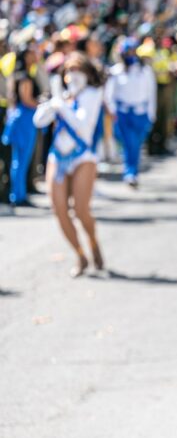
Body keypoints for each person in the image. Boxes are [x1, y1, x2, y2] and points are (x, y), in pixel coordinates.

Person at [32, 52, 105, 277]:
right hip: (59, 156)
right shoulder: (62, 96)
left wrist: (61, 105)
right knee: (60, 211)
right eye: (69, 71)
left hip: (83, 157)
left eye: (78, 70)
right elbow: (39, 120)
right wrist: (52, 103)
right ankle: (80, 254)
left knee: (81, 211)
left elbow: (83, 126)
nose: (73, 75)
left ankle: (93, 242)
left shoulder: (92, 94)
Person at [105, 38, 156, 188]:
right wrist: (113, 111)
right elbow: (109, 95)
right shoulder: (116, 71)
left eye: (133, 51)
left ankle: (132, 170)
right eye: (128, 52)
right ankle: (130, 172)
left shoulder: (145, 71)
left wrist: (151, 114)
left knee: (137, 144)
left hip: (141, 114)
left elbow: (151, 93)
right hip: (124, 114)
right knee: (129, 143)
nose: (131, 55)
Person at [1, 47, 40, 206]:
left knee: (18, 159)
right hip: (24, 118)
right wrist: (43, 105)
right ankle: (18, 195)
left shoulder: (16, 75)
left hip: (18, 118)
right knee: (21, 159)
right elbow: (27, 100)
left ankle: (17, 193)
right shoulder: (25, 77)